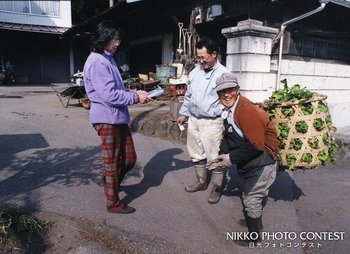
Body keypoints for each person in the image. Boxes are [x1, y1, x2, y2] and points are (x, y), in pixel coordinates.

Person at [83, 20, 150, 214]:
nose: (117, 42)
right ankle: (112, 202)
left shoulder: (108, 58)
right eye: (114, 39)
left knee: (129, 158)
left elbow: (117, 89)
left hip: (118, 117)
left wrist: (135, 92)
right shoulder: (96, 61)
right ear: (103, 38)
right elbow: (109, 95)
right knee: (111, 162)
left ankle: (110, 184)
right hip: (106, 118)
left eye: (118, 39)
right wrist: (135, 97)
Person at [209, 72, 280, 245]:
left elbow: (256, 145)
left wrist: (230, 158)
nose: (226, 94)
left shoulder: (245, 110)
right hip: (251, 162)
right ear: (217, 94)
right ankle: (255, 223)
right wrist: (220, 155)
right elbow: (227, 136)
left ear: (237, 90)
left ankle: (254, 237)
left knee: (250, 198)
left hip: (262, 162)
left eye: (230, 89)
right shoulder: (230, 109)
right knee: (251, 195)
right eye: (222, 91)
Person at [177, 38, 230, 204]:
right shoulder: (195, 72)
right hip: (194, 120)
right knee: (195, 152)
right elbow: (189, 95)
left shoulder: (224, 74)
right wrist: (183, 113)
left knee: (214, 157)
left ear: (214, 54)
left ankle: (216, 187)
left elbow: (230, 100)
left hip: (213, 122)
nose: (200, 61)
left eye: (203, 57)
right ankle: (201, 182)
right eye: (198, 57)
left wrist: (226, 123)